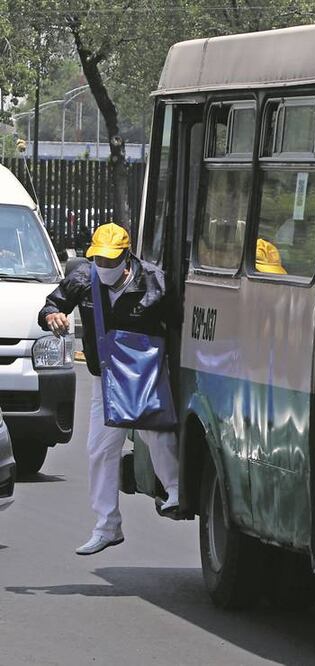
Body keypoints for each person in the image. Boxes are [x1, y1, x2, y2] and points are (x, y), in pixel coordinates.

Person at [38, 223, 181, 556]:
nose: (103, 266)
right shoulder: (81, 280)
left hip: (143, 376)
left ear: (126, 256)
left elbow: (176, 326)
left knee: (156, 433)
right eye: (98, 260)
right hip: (105, 379)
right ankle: (107, 526)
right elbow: (50, 305)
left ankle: (174, 493)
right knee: (100, 450)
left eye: (110, 260)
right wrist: (53, 317)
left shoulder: (154, 282)